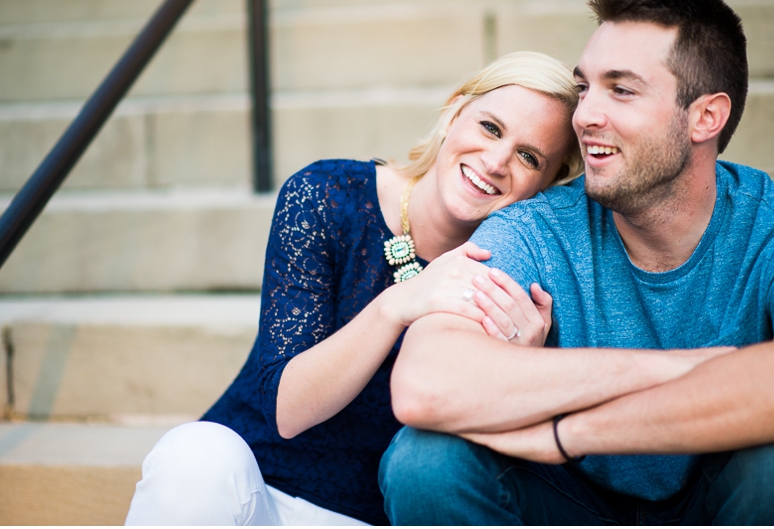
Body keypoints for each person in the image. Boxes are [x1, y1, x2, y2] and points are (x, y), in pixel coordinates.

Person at [380, 0, 774, 525]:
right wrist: (684, 369)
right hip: (571, 502)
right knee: (425, 461)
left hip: (721, 494)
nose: (584, 115)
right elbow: (425, 381)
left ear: (704, 117)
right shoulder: (534, 227)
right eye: (584, 88)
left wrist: (570, 433)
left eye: (620, 90)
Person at [124, 51, 584, 525]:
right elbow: (289, 409)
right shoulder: (329, 195)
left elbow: (482, 468)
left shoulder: (518, 269)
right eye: (490, 127)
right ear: (454, 112)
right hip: (249, 492)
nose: (495, 161)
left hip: (371, 516)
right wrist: (396, 305)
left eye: (529, 157)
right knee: (194, 451)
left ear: (548, 183)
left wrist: (517, 369)